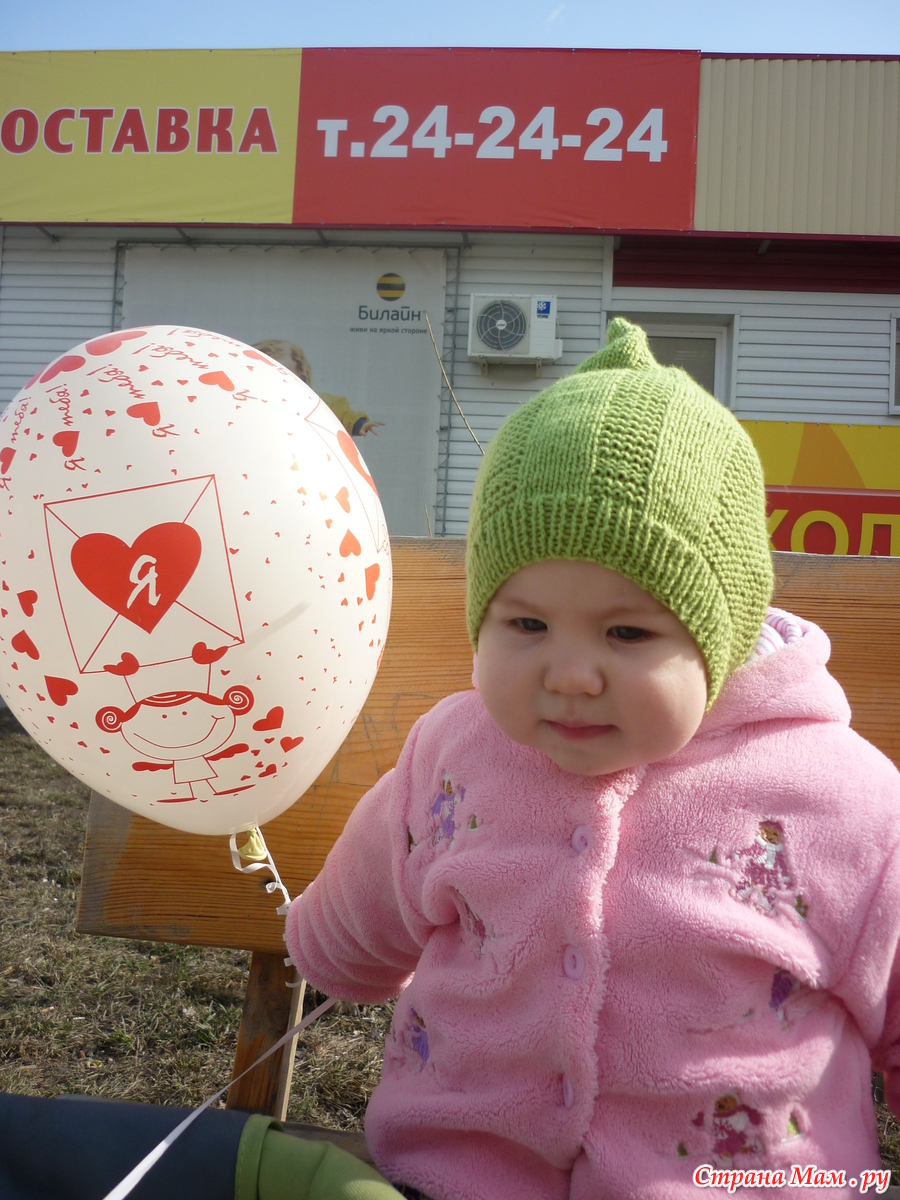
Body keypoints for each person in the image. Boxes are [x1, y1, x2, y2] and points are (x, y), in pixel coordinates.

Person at [284, 319, 900, 1199]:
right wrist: (324, 950)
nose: (570, 674)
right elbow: (356, 923)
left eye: (627, 633)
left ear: (720, 638)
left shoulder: (842, 800)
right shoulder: (454, 755)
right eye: (528, 624)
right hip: (455, 1177)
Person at [252, 339, 384, 437]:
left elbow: (341, 414)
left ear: (302, 378)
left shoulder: (313, 403)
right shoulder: (251, 402)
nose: (277, 383)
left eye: (285, 376)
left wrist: (358, 425)